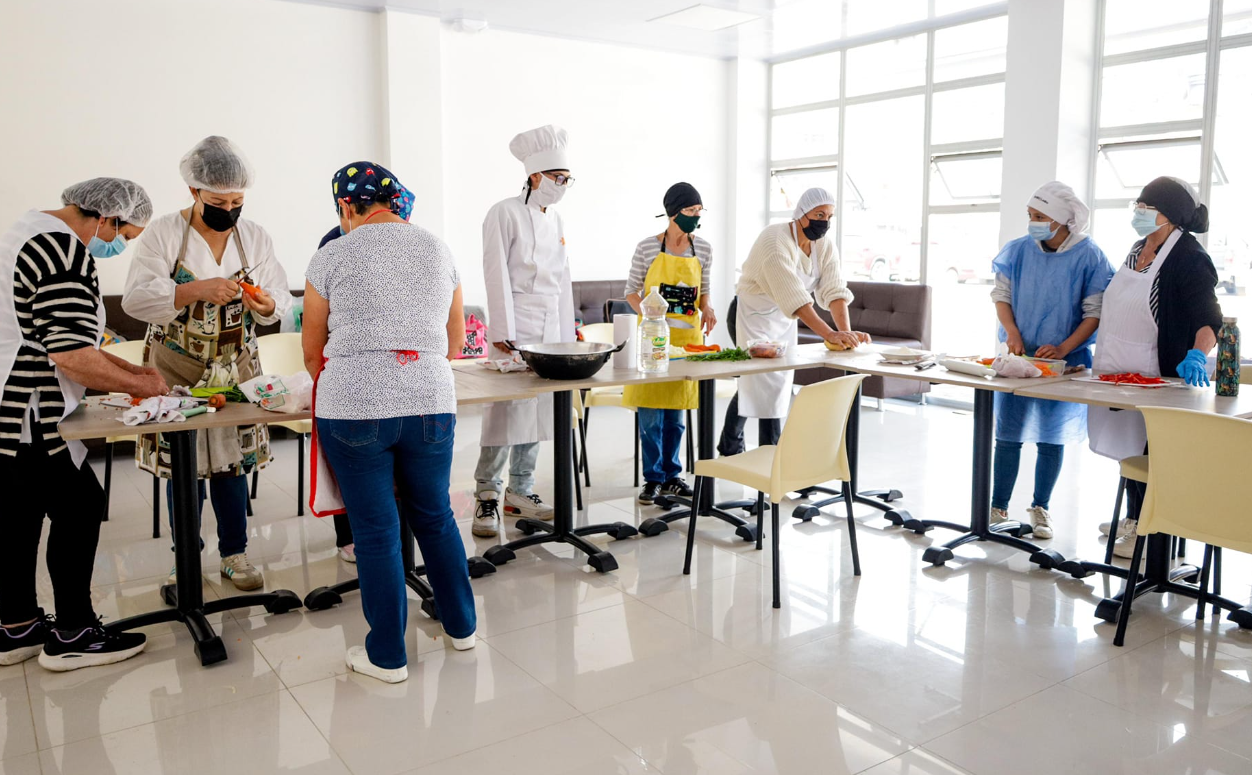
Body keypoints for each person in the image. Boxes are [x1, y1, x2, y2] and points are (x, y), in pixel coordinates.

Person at [302, 161, 476, 684]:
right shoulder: (438, 249)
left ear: (346, 207)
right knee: (436, 516)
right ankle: (462, 628)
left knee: (376, 532)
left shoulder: (330, 255)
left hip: (355, 409)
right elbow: (454, 343)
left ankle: (387, 657)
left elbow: (314, 352)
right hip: (430, 400)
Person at [0, 179, 163, 671]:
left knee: (19, 512)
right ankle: (73, 633)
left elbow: (63, 337)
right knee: (81, 505)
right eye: (125, 236)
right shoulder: (62, 252)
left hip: (9, 410)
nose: (117, 246)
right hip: (31, 409)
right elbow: (70, 355)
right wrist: (147, 388)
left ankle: (16, 625)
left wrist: (134, 373)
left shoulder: (23, 231)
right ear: (106, 219)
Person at [123, 136, 293, 591]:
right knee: (185, 464)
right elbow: (137, 299)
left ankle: (235, 555)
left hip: (235, 366)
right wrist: (194, 290)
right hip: (175, 368)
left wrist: (263, 303)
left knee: (231, 463)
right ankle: (186, 561)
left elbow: (279, 301)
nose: (230, 208)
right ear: (194, 193)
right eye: (219, 200)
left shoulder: (253, 236)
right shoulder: (163, 233)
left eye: (238, 200)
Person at [1087, 176, 1222, 558]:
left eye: (1148, 208)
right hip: (1119, 369)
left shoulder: (1190, 258)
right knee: (1129, 448)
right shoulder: (1137, 248)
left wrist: (1198, 353)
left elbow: (1209, 318)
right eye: (1139, 205)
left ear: (1172, 217)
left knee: (1152, 451)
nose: (1139, 213)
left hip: (1157, 372)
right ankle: (1134, 518)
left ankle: (1150, 534)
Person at [989, 182, 1114, 539]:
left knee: (1051, 436)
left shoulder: (1090, 256)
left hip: (1064, 362)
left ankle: (1040, 508)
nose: (1033, 223)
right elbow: (1002, 296)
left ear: (1062, 220)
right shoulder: (1018, 251)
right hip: (1018, 357)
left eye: (1040, 217)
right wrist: (1012, 333)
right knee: (1008, 432)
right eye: (1030, 216)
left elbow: (1094, 313)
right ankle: (997, 507)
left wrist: (1062, 347)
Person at [474, 124, 576, 537]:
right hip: (514, 325)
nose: (563, 186)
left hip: (550, 327)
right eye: (558, 178)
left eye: (568, 179)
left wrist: (568, 333)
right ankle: (486, 494)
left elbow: (563, 279)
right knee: (504, 412)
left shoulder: (559, 220)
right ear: (535, 175)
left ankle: (521, 490)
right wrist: (502, 327)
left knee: (536, 409)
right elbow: (494, 270)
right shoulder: (504, 212)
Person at [717, 187, 869, 456]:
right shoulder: (774, 241)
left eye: (829, 216)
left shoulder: (823, 246)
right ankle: (767, 456)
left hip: (784, 318)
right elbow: (795, 296)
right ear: (801, 213)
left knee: (774, 383)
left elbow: (835, 290)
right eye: (818, 214)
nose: (824, 221)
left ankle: (741, 448)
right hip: (750, 314)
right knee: (762, 382)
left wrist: (844, 333)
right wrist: (828, 333)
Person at [314, 183, 416, 564]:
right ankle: (348, 538)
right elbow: (318, 336)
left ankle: (391, 553)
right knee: (372, 502)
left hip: (385, 387)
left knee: (387, 506)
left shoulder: (411, 245)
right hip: (367, 385)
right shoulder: (335, 244)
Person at [621, 182, 716, 504]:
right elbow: (631, 290)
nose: (695, 217)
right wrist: (649, 315)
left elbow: (704, 289)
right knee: (650, 415)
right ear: (673, 212)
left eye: (699, 211)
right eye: (690, 211)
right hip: (653, 339)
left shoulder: (702, 249)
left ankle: (673, 474)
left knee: (676, 414)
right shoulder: (648, 247)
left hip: (688, 340)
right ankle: (652, 478)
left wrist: (709, 309)